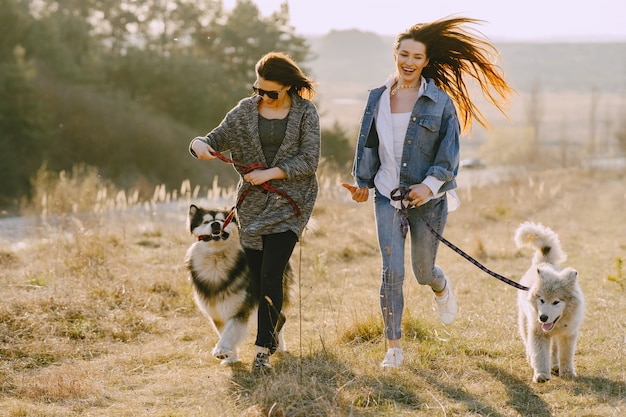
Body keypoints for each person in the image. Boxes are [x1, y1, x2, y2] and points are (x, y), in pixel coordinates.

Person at [342, 17, 514, 368]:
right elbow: (369, 145)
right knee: (391, 272)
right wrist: (362, 184)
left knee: (421, 271)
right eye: (403, 54)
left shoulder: (440, 101)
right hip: (386, 196)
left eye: (416, 57)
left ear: (425, 61)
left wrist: (428, 185)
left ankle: (440, 285)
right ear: (396, 54)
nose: (408, 62)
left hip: (428, 201)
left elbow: (449, 157)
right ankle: (394, 348)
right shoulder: (377, 98)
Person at [189, 51, 321, 372]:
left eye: (271, 92)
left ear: (288, 87)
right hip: (251, 208)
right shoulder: (245, 111)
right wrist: (198, 145)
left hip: (291, 204)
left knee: (271, 274)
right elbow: (214, 138)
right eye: (258, 89)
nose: (263, 96)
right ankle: (275, 321)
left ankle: (262, 351)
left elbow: (309, 159)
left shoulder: (306, 113)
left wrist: (270, 173)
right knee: (259, 283)